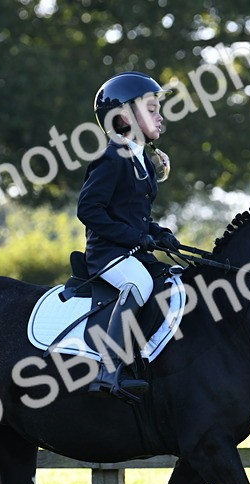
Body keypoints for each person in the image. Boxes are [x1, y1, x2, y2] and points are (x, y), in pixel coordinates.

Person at [77, 72, 181, 403]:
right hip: (108, 255)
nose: (160, 116)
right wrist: (135, 236)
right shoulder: (111, 158)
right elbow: (89, 210)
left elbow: (137, 216)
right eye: (151, 109)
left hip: (133, 250)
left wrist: (158, 234)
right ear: (124, 116)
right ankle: (109, 371)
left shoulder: (143, 163)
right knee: (138, 284)